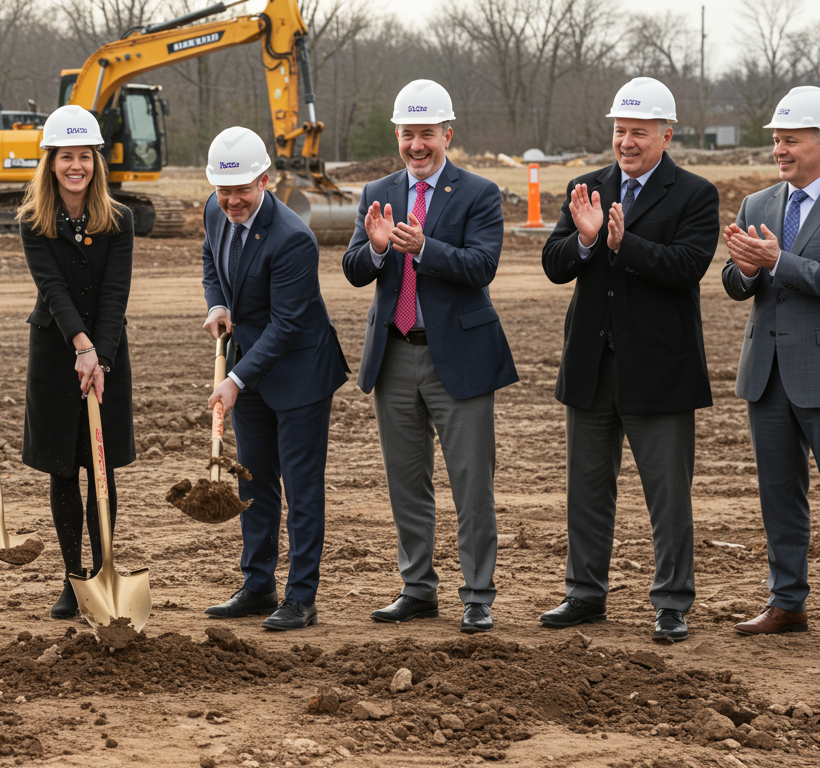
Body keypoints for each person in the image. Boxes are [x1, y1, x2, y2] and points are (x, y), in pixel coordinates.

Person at [540, 77, 719, 643]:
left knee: (668, 495)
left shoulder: (695, 194)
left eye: (638, 132)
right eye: (620, 131)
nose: (626, 142)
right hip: (593, 368)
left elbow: (687, 266)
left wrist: (623, 245)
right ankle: (584, 594)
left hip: (660, 371)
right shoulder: (586, 187)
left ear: (666, 135)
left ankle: (671, 602)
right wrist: (587, 242)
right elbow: (553, 262)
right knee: (587, 491)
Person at [343, 80, 516, 634]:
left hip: (458, 358)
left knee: (471, 483)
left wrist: (426, 249)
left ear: (448, 133)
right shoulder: (379, 189)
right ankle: (417, 588)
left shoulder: (479, 193)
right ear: (398, 135)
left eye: (427, 135)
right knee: (406, 482)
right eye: (408, 134)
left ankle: (477, 594)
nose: (417, 145)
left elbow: (482, 265)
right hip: (395, 355)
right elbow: (353, 269)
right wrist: (373, 247)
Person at [200, 126, 349, 631]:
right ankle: (258, 584)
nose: (232, 200)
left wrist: (236, 380)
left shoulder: (293, 239)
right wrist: (217, 303)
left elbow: (287, 325)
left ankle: (301, 596)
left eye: (243, 188)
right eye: (224, 189)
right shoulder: (213, 210)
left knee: (301, 486)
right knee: (255, 481)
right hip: (252, 365)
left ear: (266, 179)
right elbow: (210, 260)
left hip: (300, 370)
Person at [14, 105, 135, 619]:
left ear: (95, 161)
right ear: (52, 162)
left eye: (84, 156)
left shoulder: (120, 219)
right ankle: (73, 578)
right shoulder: (32, 222)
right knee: (63, 468)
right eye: (66, 157)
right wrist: (81, 348)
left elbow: (114, 294)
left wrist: (100, 356)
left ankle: (105, 569)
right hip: (56, 354)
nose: (75, 166)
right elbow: (55, 290)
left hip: (106, 356)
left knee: (101, 468)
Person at [721, 85, 820, 636]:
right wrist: (749, 270)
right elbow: (737, 284)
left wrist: (779, 261)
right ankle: (787, 603)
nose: (780, 150)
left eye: (792, 140)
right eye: (776, 141)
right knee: (779, 497)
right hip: (767, 376)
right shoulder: (758, 204)